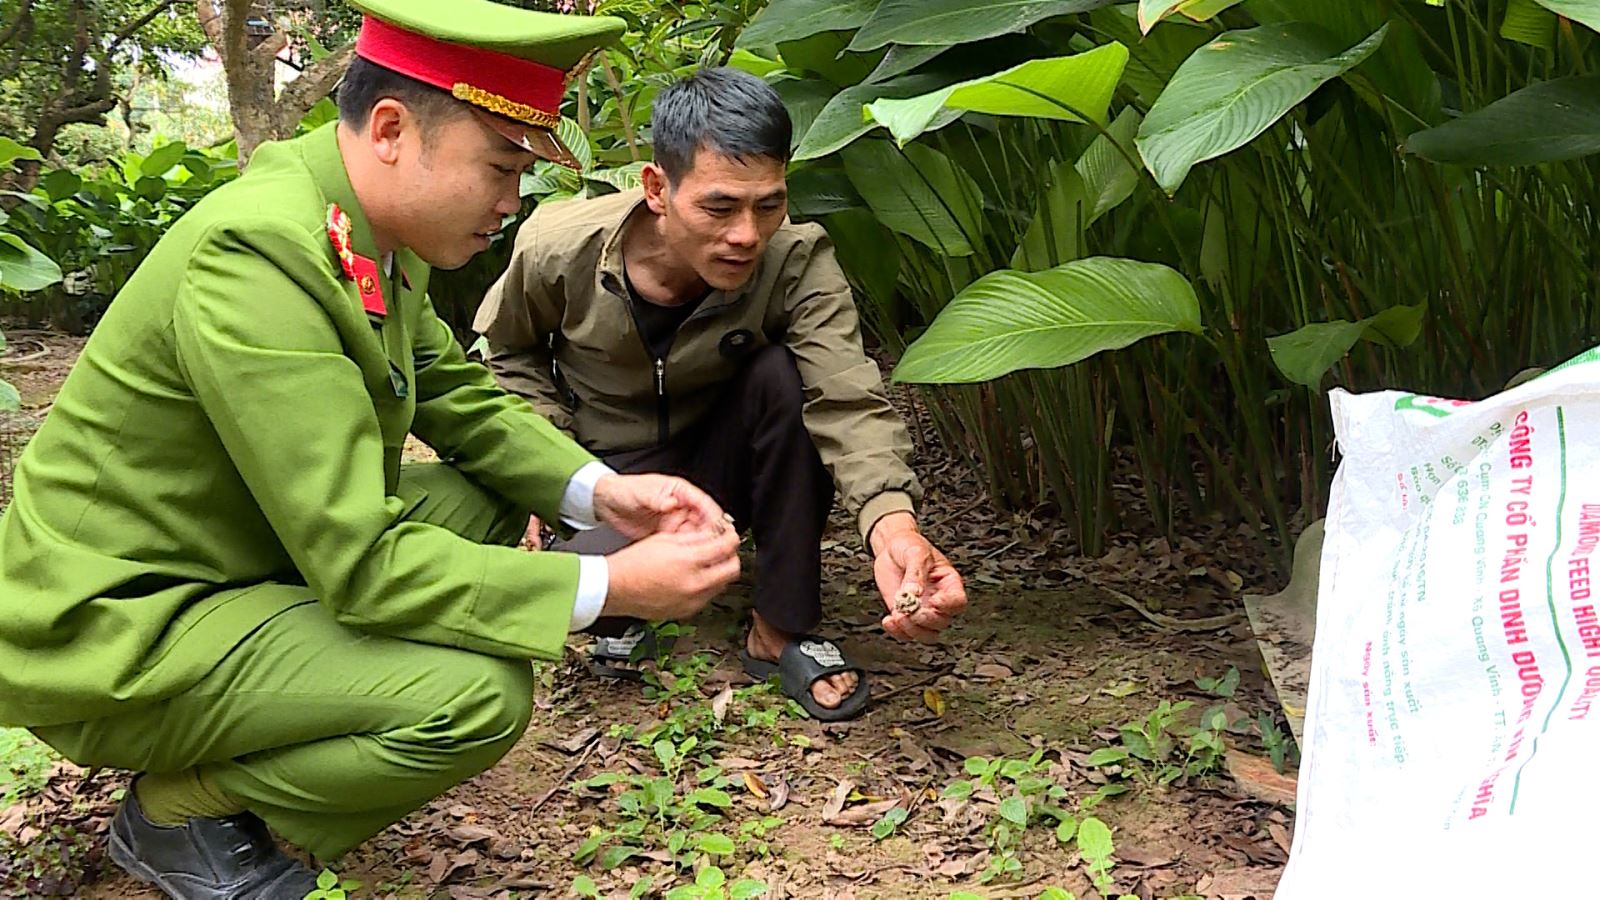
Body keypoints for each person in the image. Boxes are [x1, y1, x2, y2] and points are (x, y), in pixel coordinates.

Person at [0, 2, 743, 897]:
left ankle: (268, 716)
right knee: (476, 699)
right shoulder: (260, 255)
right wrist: (611, 588)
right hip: (117, 623)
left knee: (491, 492)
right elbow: (359, 559)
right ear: (392, 130)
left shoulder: (360, 224)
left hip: (230, 548)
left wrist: (600, 493)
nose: (512, 203)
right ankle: (182, 810)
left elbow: (453, 393)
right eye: (501, 167)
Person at [473, 67, 968, 722]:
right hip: (603, 487)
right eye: (719, 206)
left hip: (716, 477)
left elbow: (845, 395)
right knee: (593, 601)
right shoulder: (559, 248)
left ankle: (781, 627)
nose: (746, 234)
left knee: (785, 379)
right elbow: (506, 353)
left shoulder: (795, 260)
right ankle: (622, 592)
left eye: (769, 204)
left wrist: (893, 527)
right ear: (657, 188)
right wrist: (544, 472)